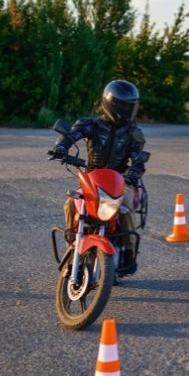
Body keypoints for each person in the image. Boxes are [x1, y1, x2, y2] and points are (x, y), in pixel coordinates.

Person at [51, 79, 149, 277]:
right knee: (71, 202)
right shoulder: (92, 125)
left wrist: (133, 172)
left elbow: (138, 158)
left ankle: (128, 252)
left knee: (126, 206)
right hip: (93, 178)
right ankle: (73, 240)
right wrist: (62, 146)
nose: (128, 110)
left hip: (121, 180)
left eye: (131, 106)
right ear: (111, 104)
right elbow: (72, 135)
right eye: (124, 105)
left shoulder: (132, 132)